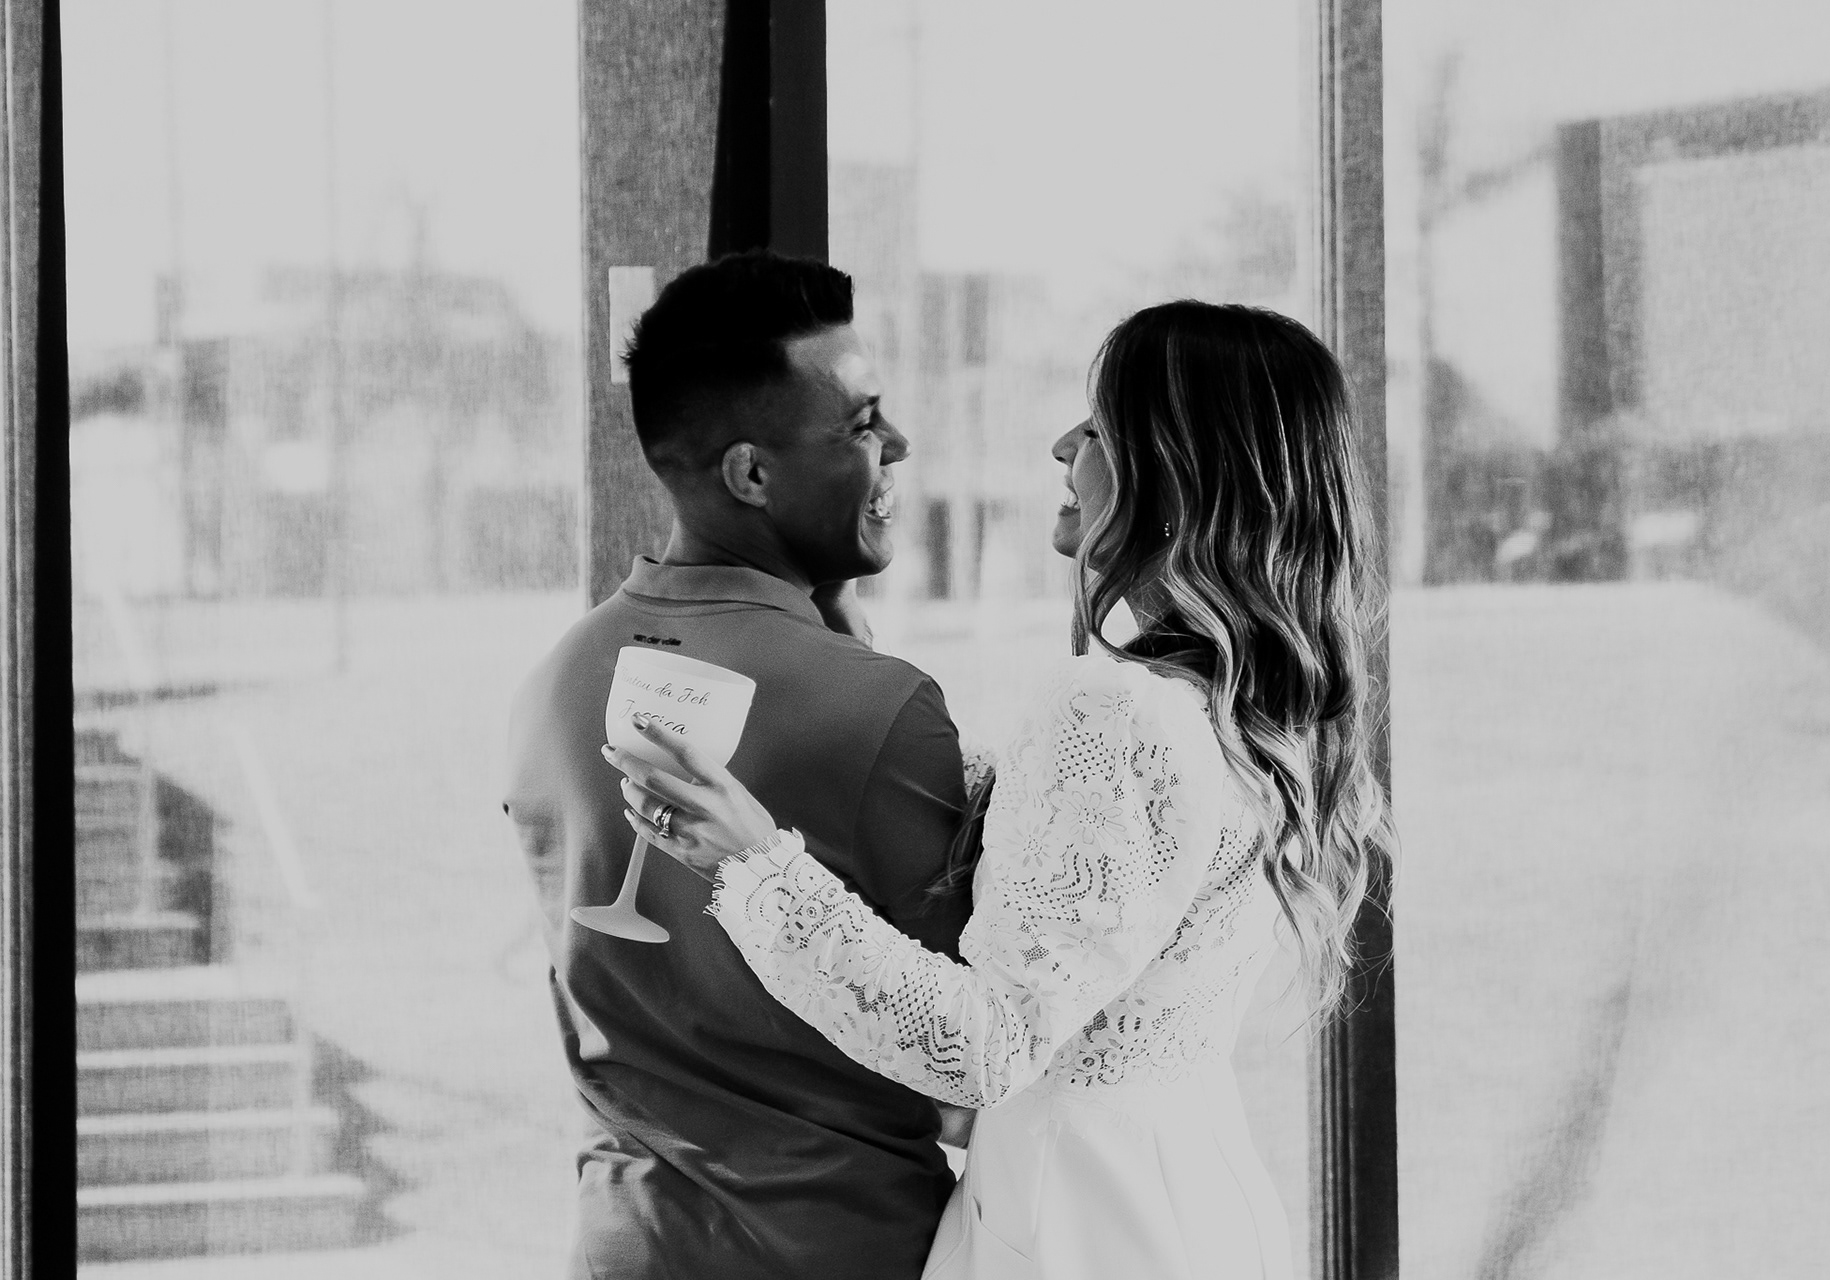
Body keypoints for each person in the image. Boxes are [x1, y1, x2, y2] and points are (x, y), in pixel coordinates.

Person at [607, 300, 1397, 1279]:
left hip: (1080, 1227)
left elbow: (988, 1047)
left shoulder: (1116, 709)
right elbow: (1091, 873)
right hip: (1195, 1200)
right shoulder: (1260, 714)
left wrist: (754, 869)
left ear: (1180, 470)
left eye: (1099, 427)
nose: (1064, 446)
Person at [503, 250, 974, 1279]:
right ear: (752, 475)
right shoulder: (881, 710)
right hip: (845, 1252)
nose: (896, 444)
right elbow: (968, 1062)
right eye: (862, 423)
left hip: (622, 1248)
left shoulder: (550, 687)